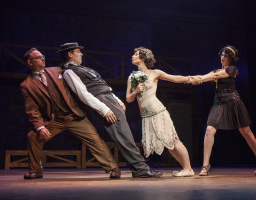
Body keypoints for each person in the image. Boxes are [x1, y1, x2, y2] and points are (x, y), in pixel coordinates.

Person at [59, 42, 162, 178]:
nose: (81, 54)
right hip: (103, 103)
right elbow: (83, 94)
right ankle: (140, 168)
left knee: (125, 134)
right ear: (70, 54)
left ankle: (140, 168)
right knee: (123, 135)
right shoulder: (69, 72)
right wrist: (104, 109)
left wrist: (117, 100)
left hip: (109, 99)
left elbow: (102, 86)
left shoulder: (83, 69)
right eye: (78, 51)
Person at [20, 48, 120, 179]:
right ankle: (36, 170)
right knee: (33, 136)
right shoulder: (26, 85)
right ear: (30, 62)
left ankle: (113, 168)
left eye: (43, 56)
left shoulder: (57, 70)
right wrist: (40, 127)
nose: (42, 58)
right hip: (56, 119)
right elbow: (32, 109)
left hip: (75, 116)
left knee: (95, 140)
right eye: (38, 57)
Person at [189, 45, 256, 176]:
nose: (222, 58)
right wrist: (194, 79)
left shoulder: (231, 69)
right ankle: (205, 165)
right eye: (222, 55)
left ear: (231, 58)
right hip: (218, 103)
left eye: (226, 56)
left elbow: (213, 76)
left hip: (233, 102)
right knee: (209, 130)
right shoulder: (216, 70)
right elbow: (206, 76)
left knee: (246, 132)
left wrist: (199, 79)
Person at [126, 46, 195, 177]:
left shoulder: (155, 73)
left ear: (143, 58)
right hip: (146, 115)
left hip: (158, 111)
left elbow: (174, 78)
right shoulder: (132, 77)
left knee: (173, 140)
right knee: (168, 143)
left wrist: (189, 79)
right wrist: (135, 91)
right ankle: (186, 168)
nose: (133, 56)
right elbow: (129, 99)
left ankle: (188, 168)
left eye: (136, 54)